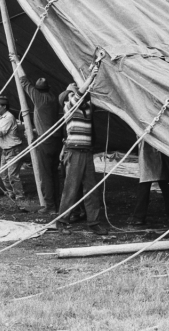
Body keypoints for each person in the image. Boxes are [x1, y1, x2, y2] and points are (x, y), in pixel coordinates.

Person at [56, 66, 108, 236]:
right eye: (73, 93)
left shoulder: (86, 108)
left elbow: (88, 94)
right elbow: (80, 94)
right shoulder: (69, 105)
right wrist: (91, 75)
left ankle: (94, 222)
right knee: (71, 188)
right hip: (75, 151)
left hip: (86, 152)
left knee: (91, 188)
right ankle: (62, 221)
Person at [9, 54, 61, 214]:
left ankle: (50, 206)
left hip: (45, 141)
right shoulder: (53, 98)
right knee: (54, 173)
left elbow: (24, 81)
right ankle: (57, 204)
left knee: (46, 175)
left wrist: (17, 62)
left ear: (38, 90)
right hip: (56, 139)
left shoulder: (39, 98)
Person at [129, 141, 169, 226]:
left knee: (165, 187)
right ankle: (139, 217)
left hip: (159, 150)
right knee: (146, 187)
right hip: (146, 152)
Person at [0, 96, 26, 201]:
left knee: (12, 175)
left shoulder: (9, 117)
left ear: (4, 107)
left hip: (13, 148)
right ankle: (10, 193)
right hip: (5, 149)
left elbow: (1, 133)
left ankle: (20, 196)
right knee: (3, 174)